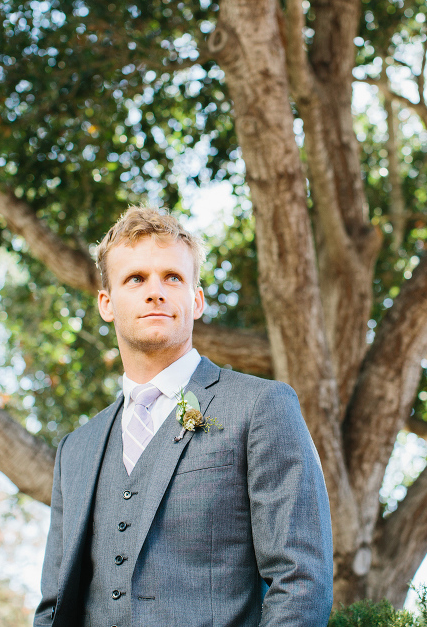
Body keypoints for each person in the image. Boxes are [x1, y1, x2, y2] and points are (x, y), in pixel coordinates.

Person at [34, 207, 334, 627]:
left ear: (196, 301)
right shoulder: (76, 449)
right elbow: (53, 607)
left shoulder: (261, 406)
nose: (155, 291)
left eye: (172, 277)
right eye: (135, 278)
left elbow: (301, 581)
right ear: (106, 303)